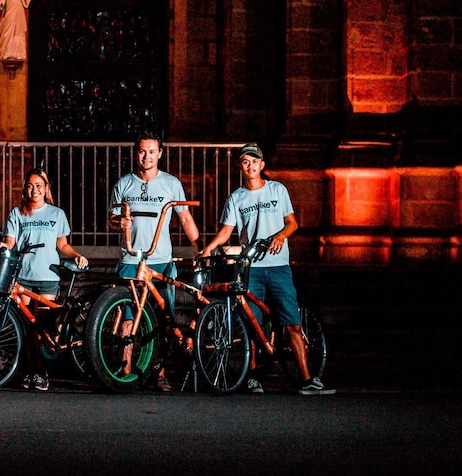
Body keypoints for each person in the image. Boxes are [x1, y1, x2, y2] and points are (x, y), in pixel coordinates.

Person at [201, 143, 336, 395]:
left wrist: (281, 236)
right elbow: (226, 231)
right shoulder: (236, 198)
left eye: (255, 161)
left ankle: (307, 379)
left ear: (262, 165)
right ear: (240, 166)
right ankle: (253, 378)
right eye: (245, 161)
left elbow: (292, 223)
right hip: (251, 268)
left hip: (279, 266)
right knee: (252, 324)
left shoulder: (278, 190)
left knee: (292, 323)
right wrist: (208, 249)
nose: (250, 165)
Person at [109, 131, 202, 391]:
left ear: (160, 153)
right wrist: (120, 222)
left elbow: (185, 219)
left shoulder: (171, 184)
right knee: (128, 319)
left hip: (161, 261)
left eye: (151, 151)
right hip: (131, 260)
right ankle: (126, 373)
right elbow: (112, 218)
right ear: (135, 153)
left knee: (163, 319)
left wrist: (200, 248)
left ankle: (159, 373)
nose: (146, 156)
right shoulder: (124, 183)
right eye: (142, 151)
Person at [0, 168, 88, 391]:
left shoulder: (56, 214)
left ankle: (37, 372)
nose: (34, 189)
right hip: (23, 277)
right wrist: (4, 246)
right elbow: (11, 241)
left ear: (46, 188)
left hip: (48, 276)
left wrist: (77, 256)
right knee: (26, 327)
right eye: (30, 185)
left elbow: (62, 244)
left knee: (41, 327)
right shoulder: (17, 213)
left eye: (39, 185)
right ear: (24, 189)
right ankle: (33, 373)